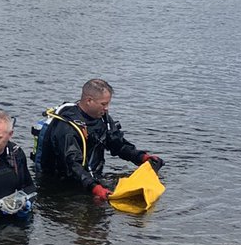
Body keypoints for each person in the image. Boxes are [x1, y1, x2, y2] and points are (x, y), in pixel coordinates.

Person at [35, 78, 164, 201]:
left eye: (108, 103)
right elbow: (72, 165)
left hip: (91, 177)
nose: (107, 108)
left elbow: (117, 144)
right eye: (104, 104)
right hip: (62, 183)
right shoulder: (67, 128)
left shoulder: (102, 118)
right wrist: (95, 188)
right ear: (89, 100)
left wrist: (142, 157)